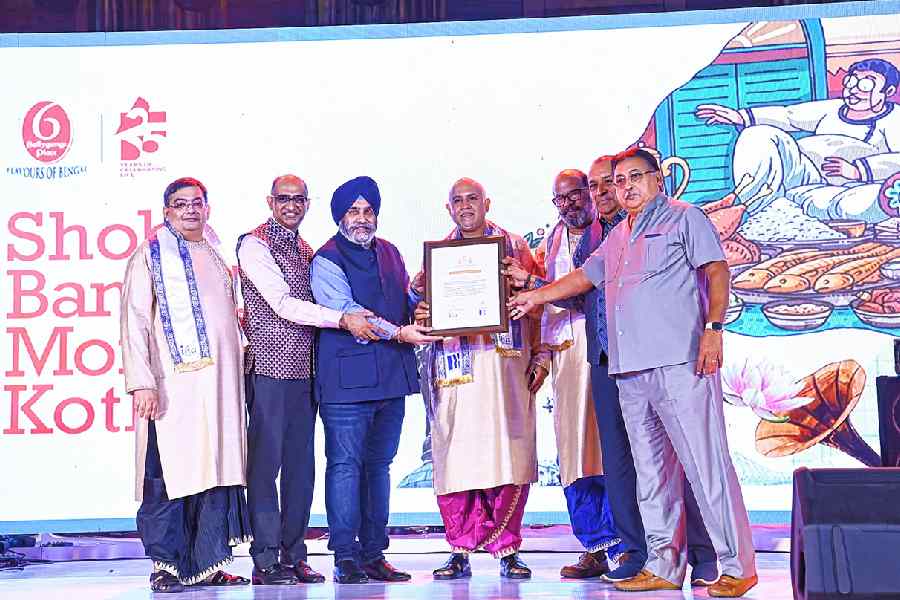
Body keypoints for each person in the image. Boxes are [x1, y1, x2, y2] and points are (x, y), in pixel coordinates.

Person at [509, 148, 758, 597]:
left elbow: (717, 272)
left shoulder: (685, 218)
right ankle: (663, 564)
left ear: (657, 179)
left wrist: (714, 329)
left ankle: (737, 566)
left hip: (681, 363)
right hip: (629, 372)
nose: (624, 187)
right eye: (617, 180)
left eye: (633, 177)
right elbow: (584, 277)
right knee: (651, 474)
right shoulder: (617, 235)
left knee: (706, 468)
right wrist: (536, 297)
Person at [237, 174, 377, 585]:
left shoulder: (304, 248)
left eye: (299, 200)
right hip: (269, 372)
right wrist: (342, 319)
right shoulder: (254, 245)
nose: (292, 206)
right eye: (284, 199)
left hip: (307, 372)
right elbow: (281, 304)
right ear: (270, 200)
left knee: (302, 469)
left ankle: (294, 554)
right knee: (266, 469)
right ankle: (265, 559)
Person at [413, 178, 551, 580]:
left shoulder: (515, 248)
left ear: (487, 203)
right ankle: (460, 549)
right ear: (448, 208)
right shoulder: (438, 255)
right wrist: (420, 310)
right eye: (457, 200)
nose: (466, 206)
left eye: (472, 199)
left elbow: (540, 305)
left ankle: (508, 550)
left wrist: (541, 355)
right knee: (457, 458)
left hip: (505, 370)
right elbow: (424, 308)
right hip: (457, 373)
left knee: (506, 454)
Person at [121, 177, 252, 593]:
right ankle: (166, 566)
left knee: (213, 469)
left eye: (197, 203)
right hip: (173, 392)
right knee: (170, 473)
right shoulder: (150, 257)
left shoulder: (214, 253)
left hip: (218, 392)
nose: (191, 210)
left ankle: (208, 563)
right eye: (181, 205)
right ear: (167, 212)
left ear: (207, 208)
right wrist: (142, 383)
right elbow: (134, 321)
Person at [310, 175, 438, 584]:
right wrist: (400, 332)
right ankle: (346, 557)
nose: (362, 219)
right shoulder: (326, 259)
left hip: (390, 379)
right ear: (339, 217)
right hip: (347, 385)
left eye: (368, 211)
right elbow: (350, 312)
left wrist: (424, 299)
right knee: (346, 466)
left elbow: (403, 301)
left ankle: (374, 553)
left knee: (379, 467)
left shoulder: (391, 252)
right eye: (353, 211)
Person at [506, 169, 622, 579]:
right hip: (565, 360)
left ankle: (625, 546)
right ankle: (594, 545)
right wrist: (538, 357)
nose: (570, 203)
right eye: (561, 198)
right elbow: (540, 307)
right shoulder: (551, 240)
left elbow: (586, 295)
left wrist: (535, 283)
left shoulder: (611, 235)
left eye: (577, 194)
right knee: (573, 454)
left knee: (609, 451)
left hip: (606, 353)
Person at [696, 58, 900, 223]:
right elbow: (789, 115)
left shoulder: (894, 119)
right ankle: (754, 208)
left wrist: (858, 171)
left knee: (851, 203)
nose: (854, 89)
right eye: (852, 81)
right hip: (807, 175)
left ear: (888, 92)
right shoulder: (832, 108)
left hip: (848, 188)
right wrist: (740, 118)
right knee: (757, 134)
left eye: (866, 84)